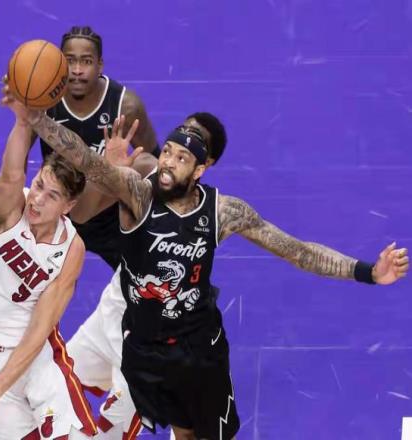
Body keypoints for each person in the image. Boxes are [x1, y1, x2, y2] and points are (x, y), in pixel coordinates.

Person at [27, 108, 409, 440]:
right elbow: (84, 158)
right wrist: (35, 118)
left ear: (200, 169)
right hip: (144, 348)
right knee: (181, 431)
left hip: (198, 349)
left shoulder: (223, 212)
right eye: (167, 152)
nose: (167, 163)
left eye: (181, 158)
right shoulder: (137, 194)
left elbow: (298, 251)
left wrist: (368, 272)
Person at [66, 112, 228, 439]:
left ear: (204, 164)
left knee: (109, 432)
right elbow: (80, 214)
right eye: (182, 130)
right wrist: (108, 171)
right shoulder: (144, 170)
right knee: (51, 384)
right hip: (113, 310)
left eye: (195, 140)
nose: (184, 138)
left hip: (153, 342)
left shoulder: (213, 214)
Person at [0, 94, 97, 440]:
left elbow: (40, 328)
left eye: (52, 196)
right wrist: (22, 122)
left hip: (35, 356)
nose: (37, 199)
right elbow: (11, 174)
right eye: (40, 185)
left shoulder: (71, 248)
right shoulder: (6, 210)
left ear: (68, 206)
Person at [40, 25, 158, 270]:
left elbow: (156, 163)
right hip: (58, 212)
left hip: (109, 214)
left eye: (86, 61)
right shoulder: (43, 100)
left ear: (100, 65)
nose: (77, 70)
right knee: (35, 285)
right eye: (70, 61)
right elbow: (18, 163)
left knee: (148, 278)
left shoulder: (126, 106)